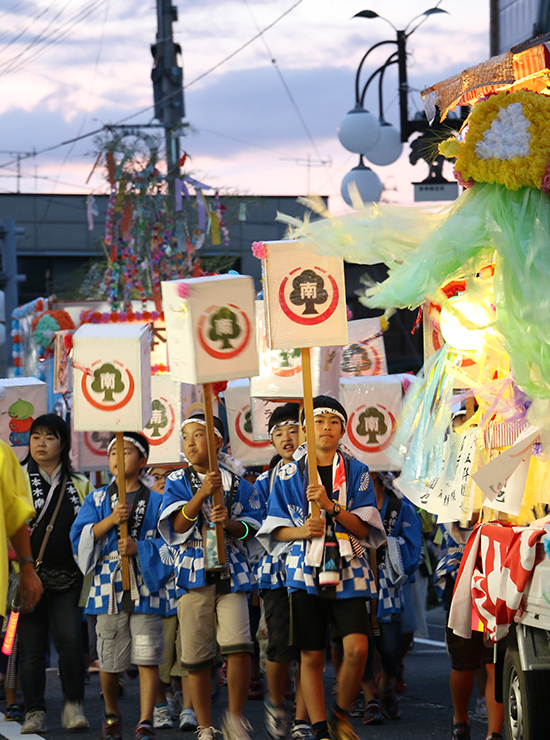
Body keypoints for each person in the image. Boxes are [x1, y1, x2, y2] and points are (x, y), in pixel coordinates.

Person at [257, 395, 386, 740]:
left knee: (357, 647)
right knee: (311, 655)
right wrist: (303, 530)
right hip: (304, 567)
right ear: (305, 430)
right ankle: (319, 729)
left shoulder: (357, 471)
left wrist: (331, 507)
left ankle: (340, 713)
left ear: (343, 429)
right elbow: (273, 529)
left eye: (333, 422)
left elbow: (365, 528)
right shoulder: (287, 474)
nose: (325, 428)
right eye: (317, 422)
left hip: (348, 564)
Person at [158, 413, 263, 740]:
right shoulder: (177, 481)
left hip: (232, 570)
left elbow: (253, 529)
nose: (190, 442)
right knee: (196, 654)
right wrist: (202, 495)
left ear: (218, 441)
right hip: (192, 571)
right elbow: (175, 526)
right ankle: (205, 724)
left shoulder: (241, 484)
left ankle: (234, 716)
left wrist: (230, 524)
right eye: (185, 436)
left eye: (199, 435)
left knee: (239, 645)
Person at [70, 432, 174, 740]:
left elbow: (171, 544)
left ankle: (145, 720)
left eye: (126, 452)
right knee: (109, 655)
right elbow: (80, 537)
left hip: (145, 585)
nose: (117, 458)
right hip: (108, 585)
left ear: (143, 461)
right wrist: (111, 520)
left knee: (147, 653)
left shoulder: (157, 500)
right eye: (113, 452)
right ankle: (111, 712)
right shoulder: (98, 499)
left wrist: (140, 549)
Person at [18, 415, 91, 734]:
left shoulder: (81, 483)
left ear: (63, 444)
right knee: (31, 648)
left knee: (71, 641)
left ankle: (74, 704)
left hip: (68, 576)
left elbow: (89, 529)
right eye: (35, 437)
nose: (41, 443)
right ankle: (34, 710)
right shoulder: (16, 478)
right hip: (27, 575)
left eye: (49, 437)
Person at [254, 403, 313, 740]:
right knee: (278, 646)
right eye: (279, 433)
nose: (287, 437)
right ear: (271, 442)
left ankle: (303, 717)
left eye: (294, 429)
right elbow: (250, 528)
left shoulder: (322, 473)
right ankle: (277, 702)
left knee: (309, 645)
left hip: (314, 567)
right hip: (276, 571)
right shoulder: (262, 482)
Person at [360, 472, 422, 723]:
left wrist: (388, 544)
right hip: (357, 579)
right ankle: (368, 700)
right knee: (360, 644)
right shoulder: (348, 503)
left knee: (390, 648)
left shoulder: (399, 506)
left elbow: (412, 545)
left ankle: (386, 684)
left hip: (387, 582)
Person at [436, 521, 504, 740]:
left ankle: (494, 733)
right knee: (464, 665)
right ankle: (461, 719)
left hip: (500, 574)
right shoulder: (456, 490)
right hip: (463, 577)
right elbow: (453, 523)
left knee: (494, 662)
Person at [148, 465, 198, 733]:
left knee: (190, 647)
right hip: (157, 590)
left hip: (189, 582)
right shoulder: (144, 505)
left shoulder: (187, 500)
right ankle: (161, 702)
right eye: (155, 477)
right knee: (158, 648)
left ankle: (188, 705)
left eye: (167, 477)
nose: (160, 482)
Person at [0, 440, 43, 721]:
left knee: (10, 645)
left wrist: (26, 567)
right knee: (8, 647)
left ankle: (14, 697)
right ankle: (12, 697)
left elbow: (16, 516)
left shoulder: (1, 453)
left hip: (11, 590)